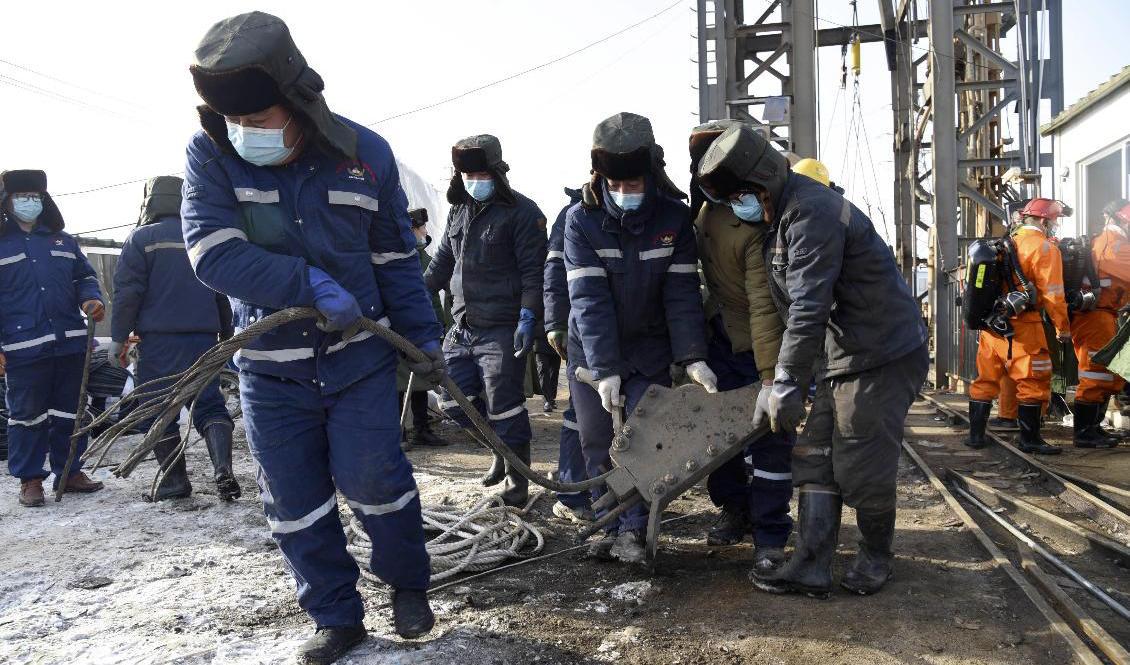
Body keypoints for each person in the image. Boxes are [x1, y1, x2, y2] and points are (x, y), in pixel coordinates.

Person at [181, 12, 444, 662]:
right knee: (294, 502)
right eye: (235, 123)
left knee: (377, 482)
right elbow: (212, 253)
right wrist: (308, 283)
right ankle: (335, 615)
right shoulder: (210, 153)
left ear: (299, 102)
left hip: (357, 362)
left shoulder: (365, 156)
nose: (246, 135)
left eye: (260, 120)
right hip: (271, 371)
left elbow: (394, 262)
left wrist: (422, 339)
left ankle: (408, 586)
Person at [698, 123, 928, 598]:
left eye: (740, 197)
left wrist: (782, 382)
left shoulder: (811, 213)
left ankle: (875, 555)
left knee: (861, 463)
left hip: (878, 356)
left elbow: (807, 306)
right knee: (816, 459)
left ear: (761, 182)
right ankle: (811, 563)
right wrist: (782, 377)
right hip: (841, 360)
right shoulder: (781, 214)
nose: (737, 210)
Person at [566, 112, 718, 564]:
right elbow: (588, 301)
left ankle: (634, 529)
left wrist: (692, 355)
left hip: (649, 349)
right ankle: (604, 522)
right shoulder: (581, 221)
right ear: (601, 178)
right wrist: (604, 370)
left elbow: (681, 294)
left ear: (651, 175)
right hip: (592, 351)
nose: (627, 194)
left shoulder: (673, 219)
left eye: (635, 185)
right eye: (618, 186)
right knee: (596, 439)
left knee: (643, 438)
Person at [688, 121, 794, 574]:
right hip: (720, 342)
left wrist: (771, 376)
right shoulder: (704, 210)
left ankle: (770, 531)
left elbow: (763, 306)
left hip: (756, 347)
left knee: (769, 440)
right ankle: (735, 509)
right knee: (722, 439)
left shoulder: (752, 220)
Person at [424, 134, 547, 507]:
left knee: (505, 407)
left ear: (496, 173)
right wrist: (409, 296)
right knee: (452, 403)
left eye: (479, 173)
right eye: (466, 174)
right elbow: (442, 261)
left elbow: (533, 273)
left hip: (502, 327)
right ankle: (499, 449)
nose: (472, 181)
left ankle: (517, 482)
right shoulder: (458, 211)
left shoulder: (523, 213)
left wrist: (528, 315)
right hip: (461, 327)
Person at [110, 176, 239, 501]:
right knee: (209, 404)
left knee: (158, 408)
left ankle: (174, 482)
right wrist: (226, 334)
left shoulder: (141, 239)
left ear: (149, 202)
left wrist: (117, 337)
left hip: (159, 342)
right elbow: (221, 289)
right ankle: (222, 468)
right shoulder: (202, 236)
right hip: (204, 338)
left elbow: (128, 294)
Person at [0, 169, 106, 507]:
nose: (30, 202)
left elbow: (84, 277)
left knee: (71, 412)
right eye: (22, 197)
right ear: (7, 201)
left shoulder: (63, 240)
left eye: (35, 196)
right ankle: (30, 480)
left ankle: (70, 471)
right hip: (23, 348)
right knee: (27, 415)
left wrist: (91, 299)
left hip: (70, 342)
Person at [967, 198, 1071, 456]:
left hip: (993, 326)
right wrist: (1063, 327)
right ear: (1045, 221)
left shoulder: (1003, 244)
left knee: (985, 380)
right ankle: (1030, 439)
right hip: (1024, 327)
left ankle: (976, 436)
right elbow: (1054, 295)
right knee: (1034, 380)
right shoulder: (1044, 248)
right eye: (1054, 221)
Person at [544, 186, 594, 523]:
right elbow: (554, 273)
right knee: (582, 412)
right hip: (584, 328)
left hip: (638, 334)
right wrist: (554, 322)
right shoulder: (573, 213)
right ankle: (574, 493)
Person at [1070, 200, 1130, 447]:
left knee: (1105, 375)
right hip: (1096, 316)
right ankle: (1084, 434)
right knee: (1095, 374)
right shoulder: (1114, 245)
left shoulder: (1106, 242)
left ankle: (1093, 429)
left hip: (1103, 315)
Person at [397, 207, 448, 449]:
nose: (426, 232)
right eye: (422, 228)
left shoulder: (424, 257)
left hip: (424, 326)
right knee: (398, 382)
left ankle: (421, 428)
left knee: (421, 377)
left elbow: (434, 298)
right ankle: (398, 434)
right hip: (400, 327)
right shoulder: (401, 256)